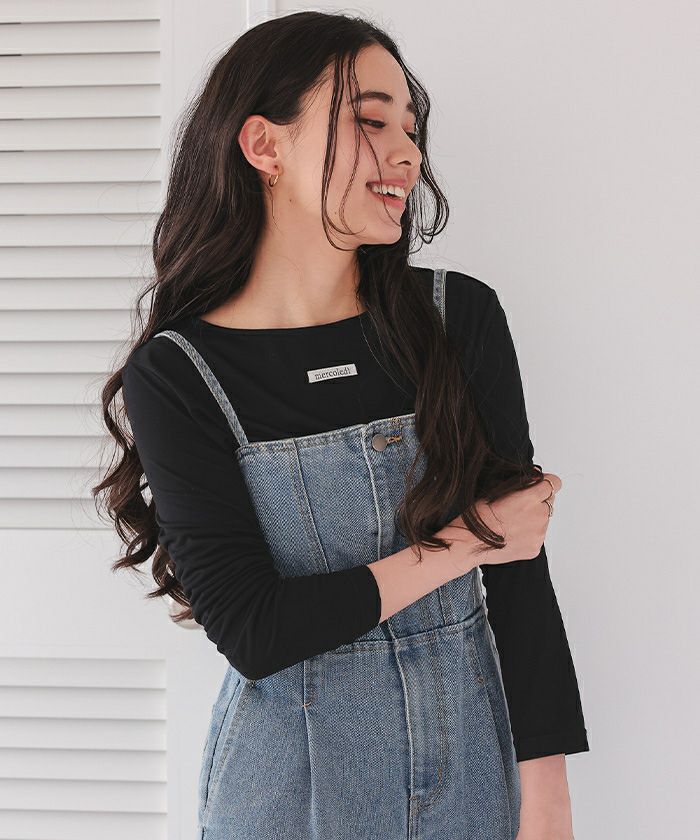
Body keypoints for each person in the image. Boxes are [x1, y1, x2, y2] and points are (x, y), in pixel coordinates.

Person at [94, 11, 588, 840]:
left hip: (475, 771)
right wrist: (467, 542)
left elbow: (521, 575)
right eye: (370, 120)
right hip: (290, 791)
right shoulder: (180, 374)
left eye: (411, 129)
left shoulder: (457, 318)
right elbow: (256, 631)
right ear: (265, 146)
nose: (408, 153)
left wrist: (549, 799)